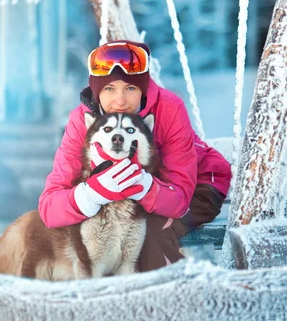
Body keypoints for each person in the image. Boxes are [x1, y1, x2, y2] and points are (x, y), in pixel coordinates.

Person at [38, 39, 231, 271]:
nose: (120, 101)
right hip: (125, 196)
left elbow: (179, 199)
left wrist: (143, 185)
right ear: (97, 92)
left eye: (130, 88)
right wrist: (89, 195)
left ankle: (158, 301)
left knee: (146, 238)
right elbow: (50, 207)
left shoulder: (169, 108)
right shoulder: (82, 120)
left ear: (143, 89)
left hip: (198, 185)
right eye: (109, 89)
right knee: (89, 236)